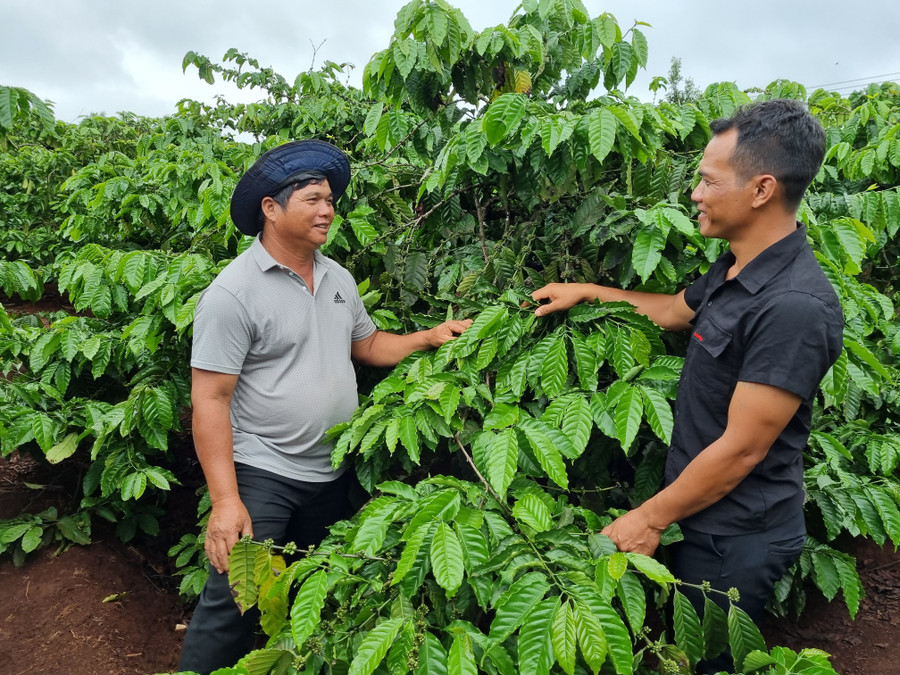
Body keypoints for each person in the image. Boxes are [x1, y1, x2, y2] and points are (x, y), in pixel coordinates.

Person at [531, 99, 843, 672]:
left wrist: (648, 517)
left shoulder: (793, 306)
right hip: (697, 514)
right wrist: (588, 291)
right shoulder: (736, 267)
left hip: (734, 535)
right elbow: (676, 311)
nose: (695, 194)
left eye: (707, 181)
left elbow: (743, 446)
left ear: (761, 189)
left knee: (704, 663)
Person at [178, 139, 471, 674]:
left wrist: (428, 337)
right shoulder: (233, 293)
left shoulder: (336, 277)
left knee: (314, 600)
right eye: (313, 198)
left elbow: (367, 345)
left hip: (332, 471)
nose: (328, 210)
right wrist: (225, 501)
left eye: (331, 199)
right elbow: (210, 399)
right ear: (271, 208)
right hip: (263, 471)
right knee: (233, 607)